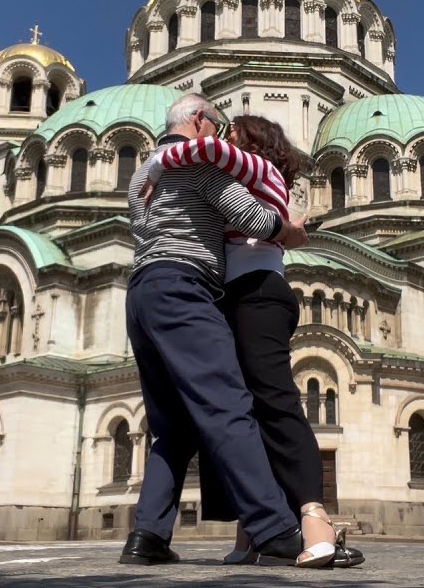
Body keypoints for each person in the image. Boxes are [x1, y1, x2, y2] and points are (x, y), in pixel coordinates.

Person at [141, 115, 364, 569]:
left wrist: (158, 162)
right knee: (237, 411)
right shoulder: (240, 175)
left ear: (252, 143)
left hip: (258, 293)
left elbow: (208, 155)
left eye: (231, 134)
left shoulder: (255, 168)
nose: (222, 137)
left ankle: (315, 520)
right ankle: (251, 533)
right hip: (229, 296)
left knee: (274, 401)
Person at [119, 94, 311, 568]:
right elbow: (254, 219)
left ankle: (148, 536)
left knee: (172, 427)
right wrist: (290, 230)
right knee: (227, 404)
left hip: (141, 291)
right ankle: (274, 528)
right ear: (200, 121)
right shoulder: (200, 165)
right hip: (183, 287)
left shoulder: (143, 175)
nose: (223, 138)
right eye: (219, 128)